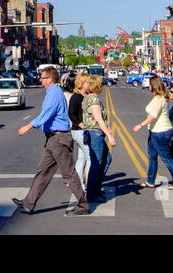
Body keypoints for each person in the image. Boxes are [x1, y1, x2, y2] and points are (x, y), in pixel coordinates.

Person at [12, 66, 89, 215]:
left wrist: (28, 126)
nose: (40, 80)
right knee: (43, 171)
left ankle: (83, 205)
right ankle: (29, 202)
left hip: (59, 139)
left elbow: (47, 113)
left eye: (42, 78)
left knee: (69, 173)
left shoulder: (54, 93)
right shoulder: (53, 92)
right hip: (54, 139)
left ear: (50, 79)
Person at [133, 75, 173, 189]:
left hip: (160, 131)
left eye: (150, 84)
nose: (148, 86)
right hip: (154, 130)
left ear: (154, 86)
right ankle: (150, 181)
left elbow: (153, 116)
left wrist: (140, 125)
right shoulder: (158, 97)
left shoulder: (159, 98)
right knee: (152, 156)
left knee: (166, 158)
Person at [82, 74, 116, 203]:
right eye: (101, 85)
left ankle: (96, 187)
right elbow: (98, 118)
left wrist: (107, 129)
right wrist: (110, 136)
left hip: (93, 133)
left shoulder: (88, 98)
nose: (102, 87)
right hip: (95, 133)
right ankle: (92, 193)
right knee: (96, 163)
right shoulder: (93, 100)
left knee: (106, 159)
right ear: (98, 86)